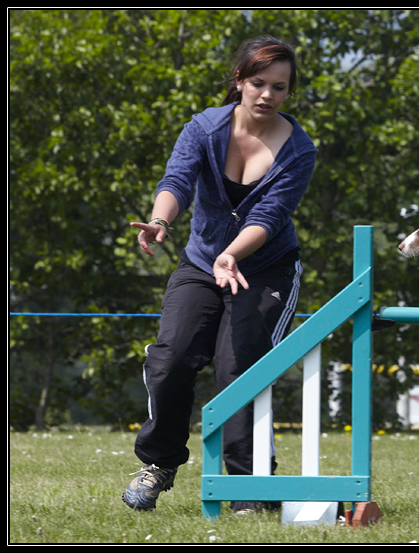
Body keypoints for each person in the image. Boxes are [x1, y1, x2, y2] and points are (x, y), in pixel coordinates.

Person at [122, 36, 317, 514]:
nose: (267, 95)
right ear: (239, 80)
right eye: (258, 83)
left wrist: (231, 255)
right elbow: (177, 180)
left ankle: (250, 488)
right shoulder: (203, 128)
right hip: (200, 262)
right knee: (170, 359)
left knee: (239, 368)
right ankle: (159, 464)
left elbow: (269, 215)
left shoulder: (299, 151)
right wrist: (161, 221)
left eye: (279, 87)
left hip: (266, 267)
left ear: (289, 92)